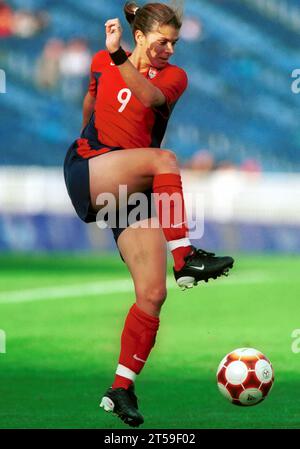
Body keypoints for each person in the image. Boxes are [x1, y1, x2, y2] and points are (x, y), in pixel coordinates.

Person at [64, 1, 234, 428]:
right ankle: (186, 257)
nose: (171, 51)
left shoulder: (174, 77)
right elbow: (90, 102)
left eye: (174, 43)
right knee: (165, 159)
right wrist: (85, 142)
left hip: (129, 188)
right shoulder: (102, 59)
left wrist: (121, 56)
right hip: (92, 170)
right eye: (162, 42)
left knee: (153, 293)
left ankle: (121, 388)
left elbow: (151, 96)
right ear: (139, 36)